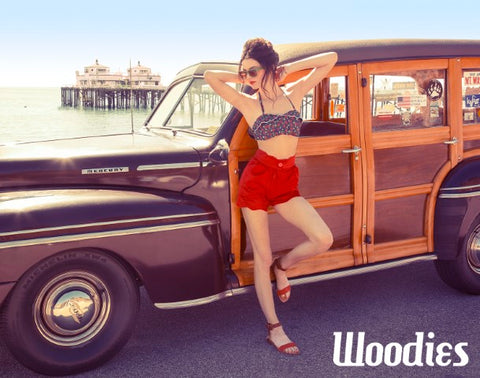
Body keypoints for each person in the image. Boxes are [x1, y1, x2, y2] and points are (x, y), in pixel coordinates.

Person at [204, 38, 337, 355]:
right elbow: (210, 76)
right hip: (258, 180)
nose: (248, 78)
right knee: (260, 258)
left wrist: (289, 69)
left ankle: (284, 267)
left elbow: (330, 58)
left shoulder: (295, 94)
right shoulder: (249, 103)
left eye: (253, 71)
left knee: (323, 238)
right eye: (244, 73)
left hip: (286, 180)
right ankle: (274, 328)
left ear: (271, 69)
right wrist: (241, 74)